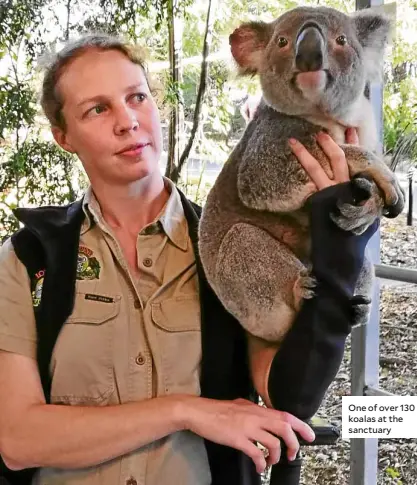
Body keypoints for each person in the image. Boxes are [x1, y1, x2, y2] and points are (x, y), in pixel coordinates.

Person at [0, 34, 378, 485]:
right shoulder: (30, 257)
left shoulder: (229, 243)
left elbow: (288, 395)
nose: (128, 121)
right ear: (64, 136)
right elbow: (18, 440)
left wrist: (338, 250)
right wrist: (185, 411)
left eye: (137, 97)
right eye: (97, 109)